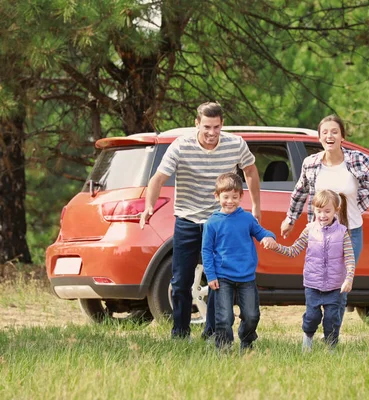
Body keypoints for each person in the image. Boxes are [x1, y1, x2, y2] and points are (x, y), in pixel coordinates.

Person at [139, 102, 262, 340]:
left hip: (220, 221)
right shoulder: (182, 145)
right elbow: (158, 178)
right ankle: (180, 332)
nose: (211, 133)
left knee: (219, 278)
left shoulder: (235, 144)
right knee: (181, 279)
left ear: (222, 125)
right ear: (197, 124)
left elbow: (251, 172)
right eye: (206, 126)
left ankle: (212, 331)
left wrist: (256, 207)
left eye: (216, 127)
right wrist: (148, 207)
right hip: (187, 218)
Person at [280, 114, 369, 319]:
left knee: (341, 284)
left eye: (334, 132)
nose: (330, 136)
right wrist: (290, 219)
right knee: (319, 280)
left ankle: (332, 331)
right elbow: (300, 191)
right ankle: (313, 322)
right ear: (319, 138)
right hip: (319, 235)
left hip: (350, 232)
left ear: (342, 137)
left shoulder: (356, 159)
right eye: (325, 132)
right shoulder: (310, 163)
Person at [267, 189, 355, 350]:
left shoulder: (342, 233)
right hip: (313, 285)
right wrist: (276, 247)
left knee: (332, 319)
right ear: (314, 210)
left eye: (327, 211)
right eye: (319, 211)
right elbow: (293, 251)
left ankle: (331, 347)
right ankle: (307, 339)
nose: (322, 215)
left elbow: (350, 258)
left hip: (335, 286)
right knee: (312, 317)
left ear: (336, 210)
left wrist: (349, 278)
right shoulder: (309, 230)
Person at [202, 173, 275, 351]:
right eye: (225, 197)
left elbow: (262, 232)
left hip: (246, 277)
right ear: (217, 196)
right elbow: (206, 251)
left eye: (235, 197)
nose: (230, 201)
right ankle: (224, 348)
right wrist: (210, 275)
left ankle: (247, 341)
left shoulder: (247, 218)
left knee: (251, 315)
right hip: (223, 277)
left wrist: (269, 237)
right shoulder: (212, 223)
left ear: (241, 196)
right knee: (224, 317)